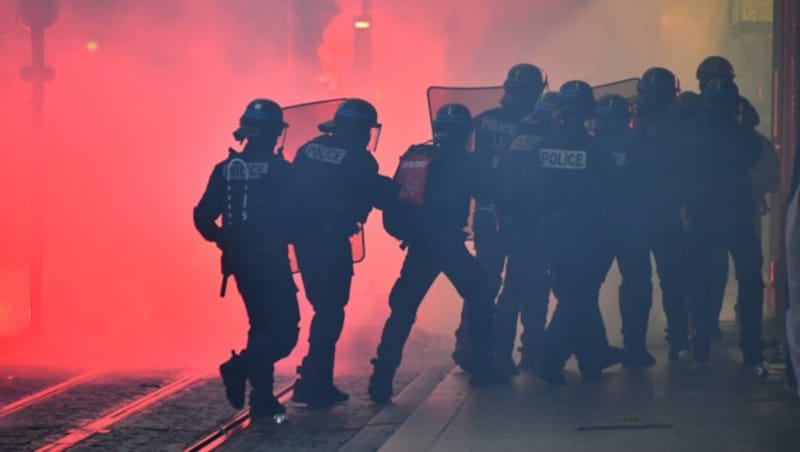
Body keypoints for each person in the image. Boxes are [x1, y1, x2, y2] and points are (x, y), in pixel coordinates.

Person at [369, 103, 504, 404]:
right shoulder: (465, 162)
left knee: (402, 309)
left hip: (419, 245)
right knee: (481, 295)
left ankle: (381, 378)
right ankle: (483, 368)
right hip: (447, 244)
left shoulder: (419, 155)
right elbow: (491, 189)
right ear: (464, 132)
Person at [193, 99, 307, 420]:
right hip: (271, 260)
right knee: (285, 332)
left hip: (240, 263)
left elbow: (202, 216)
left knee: (261, 328)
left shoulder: (225, 170)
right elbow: (299, 215)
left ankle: (262, 399)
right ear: (272, 134)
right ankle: (238, 368)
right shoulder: (281, 171)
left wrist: (223, 240)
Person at [290, 98, 392, 406]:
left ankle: (314, 375)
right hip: (333, 243)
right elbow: (376, 196)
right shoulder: (360, 159)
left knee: (321, 307)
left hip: (304, 242)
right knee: (331, 312)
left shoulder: (308, 149)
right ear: (359, 128)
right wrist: (397, 189)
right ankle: (315, 381)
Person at [453, 63, 547, 371]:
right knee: (525, 284)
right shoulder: (538, 127)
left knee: (483, 284)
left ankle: (469, 348)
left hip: (484, 214)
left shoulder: (481, 122)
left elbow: (460, 167)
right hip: (522, 218)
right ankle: (526, 353)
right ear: (535, 92)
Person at [532, 81, 621, 385]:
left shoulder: (542, 145)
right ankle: (549, 358)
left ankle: (593, 355)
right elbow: (611, 192)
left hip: (548, 231)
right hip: (582, 232)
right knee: (577, 296)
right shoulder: (594, 149)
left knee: (579, 295)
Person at [683, 79, 761, 362]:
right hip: (738, 216)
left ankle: (701, 336)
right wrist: (748, 124)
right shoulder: (741, 136)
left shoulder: (694, 132)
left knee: (703, 280)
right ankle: (751, 345)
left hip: (704, 216)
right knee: (750, 280)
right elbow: (754, 156)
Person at [490, 92, 559, 375]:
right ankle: (530, 355)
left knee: (513, 290)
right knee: (532, 291)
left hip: (516, 225)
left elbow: (501, 180)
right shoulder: (546, 141)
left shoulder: (518, 136)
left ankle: (502, 354)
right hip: (536, 227)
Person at [632, 67, 691, 360]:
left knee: (649, 281)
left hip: (654, 215)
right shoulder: (676, 125)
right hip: (651, 215)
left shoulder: (673, 126)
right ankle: (674, 340)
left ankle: (641, 344)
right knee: (660, 281)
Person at [593, 94, 656, 367]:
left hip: (599, 226)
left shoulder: (590, 145)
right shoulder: (641, 145)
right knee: (637, 285)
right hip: (631, 225)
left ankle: (591, 347)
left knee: (585, 288)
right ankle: (633, 347)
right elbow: (651, 186)